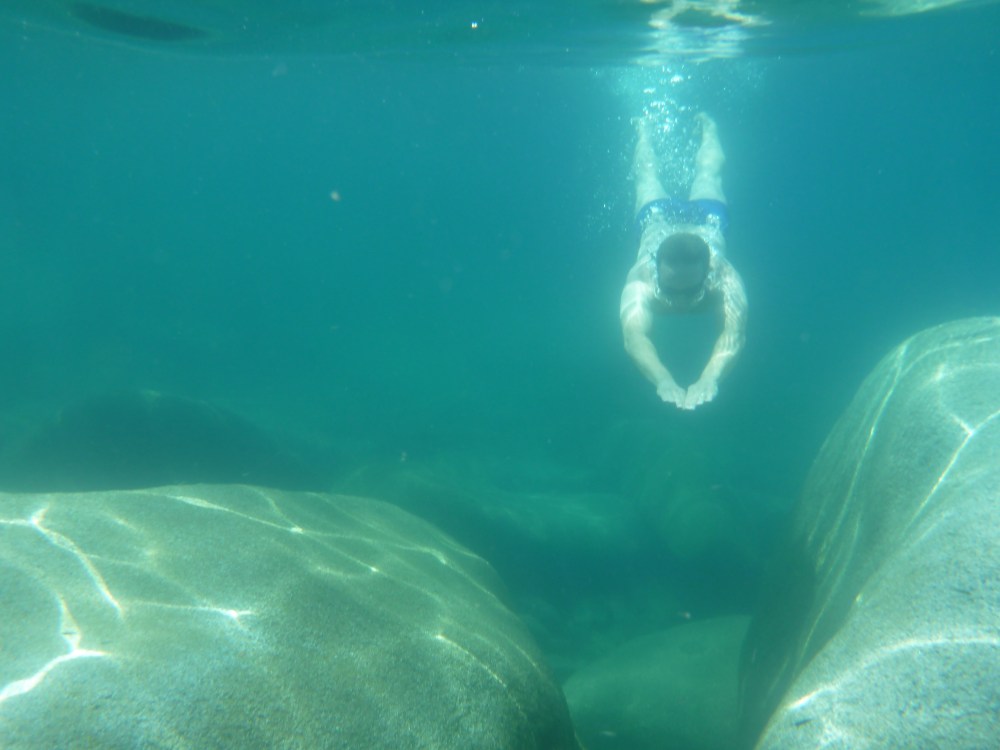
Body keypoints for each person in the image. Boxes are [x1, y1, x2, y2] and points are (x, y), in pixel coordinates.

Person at [620, 113, 747, 410]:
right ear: (656, 271)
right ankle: (643, 129)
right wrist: (663, 379)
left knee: (709, 174)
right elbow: (634, 337)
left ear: (708, 274)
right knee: (646, 176)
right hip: (657, 220)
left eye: (690, 291)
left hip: (708, 222)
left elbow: (734, 334)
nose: (679, 301)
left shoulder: (725, 278)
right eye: (671, 290)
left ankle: (710, 128)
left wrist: (710, 378)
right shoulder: (641, 281)